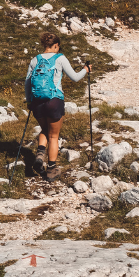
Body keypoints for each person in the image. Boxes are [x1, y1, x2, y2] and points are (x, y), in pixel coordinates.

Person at [25, 31, 89, 181]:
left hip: (37, 102)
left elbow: (27, 83)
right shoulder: (60, 58)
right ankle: (51, 170)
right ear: (55, 46)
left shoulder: (35, 60)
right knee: (54, 136)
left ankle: (40, 155)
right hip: (54, 101)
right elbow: (74, 77)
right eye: (58, 47)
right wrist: (85, 70)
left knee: (45, 130)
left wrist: (29, 102)